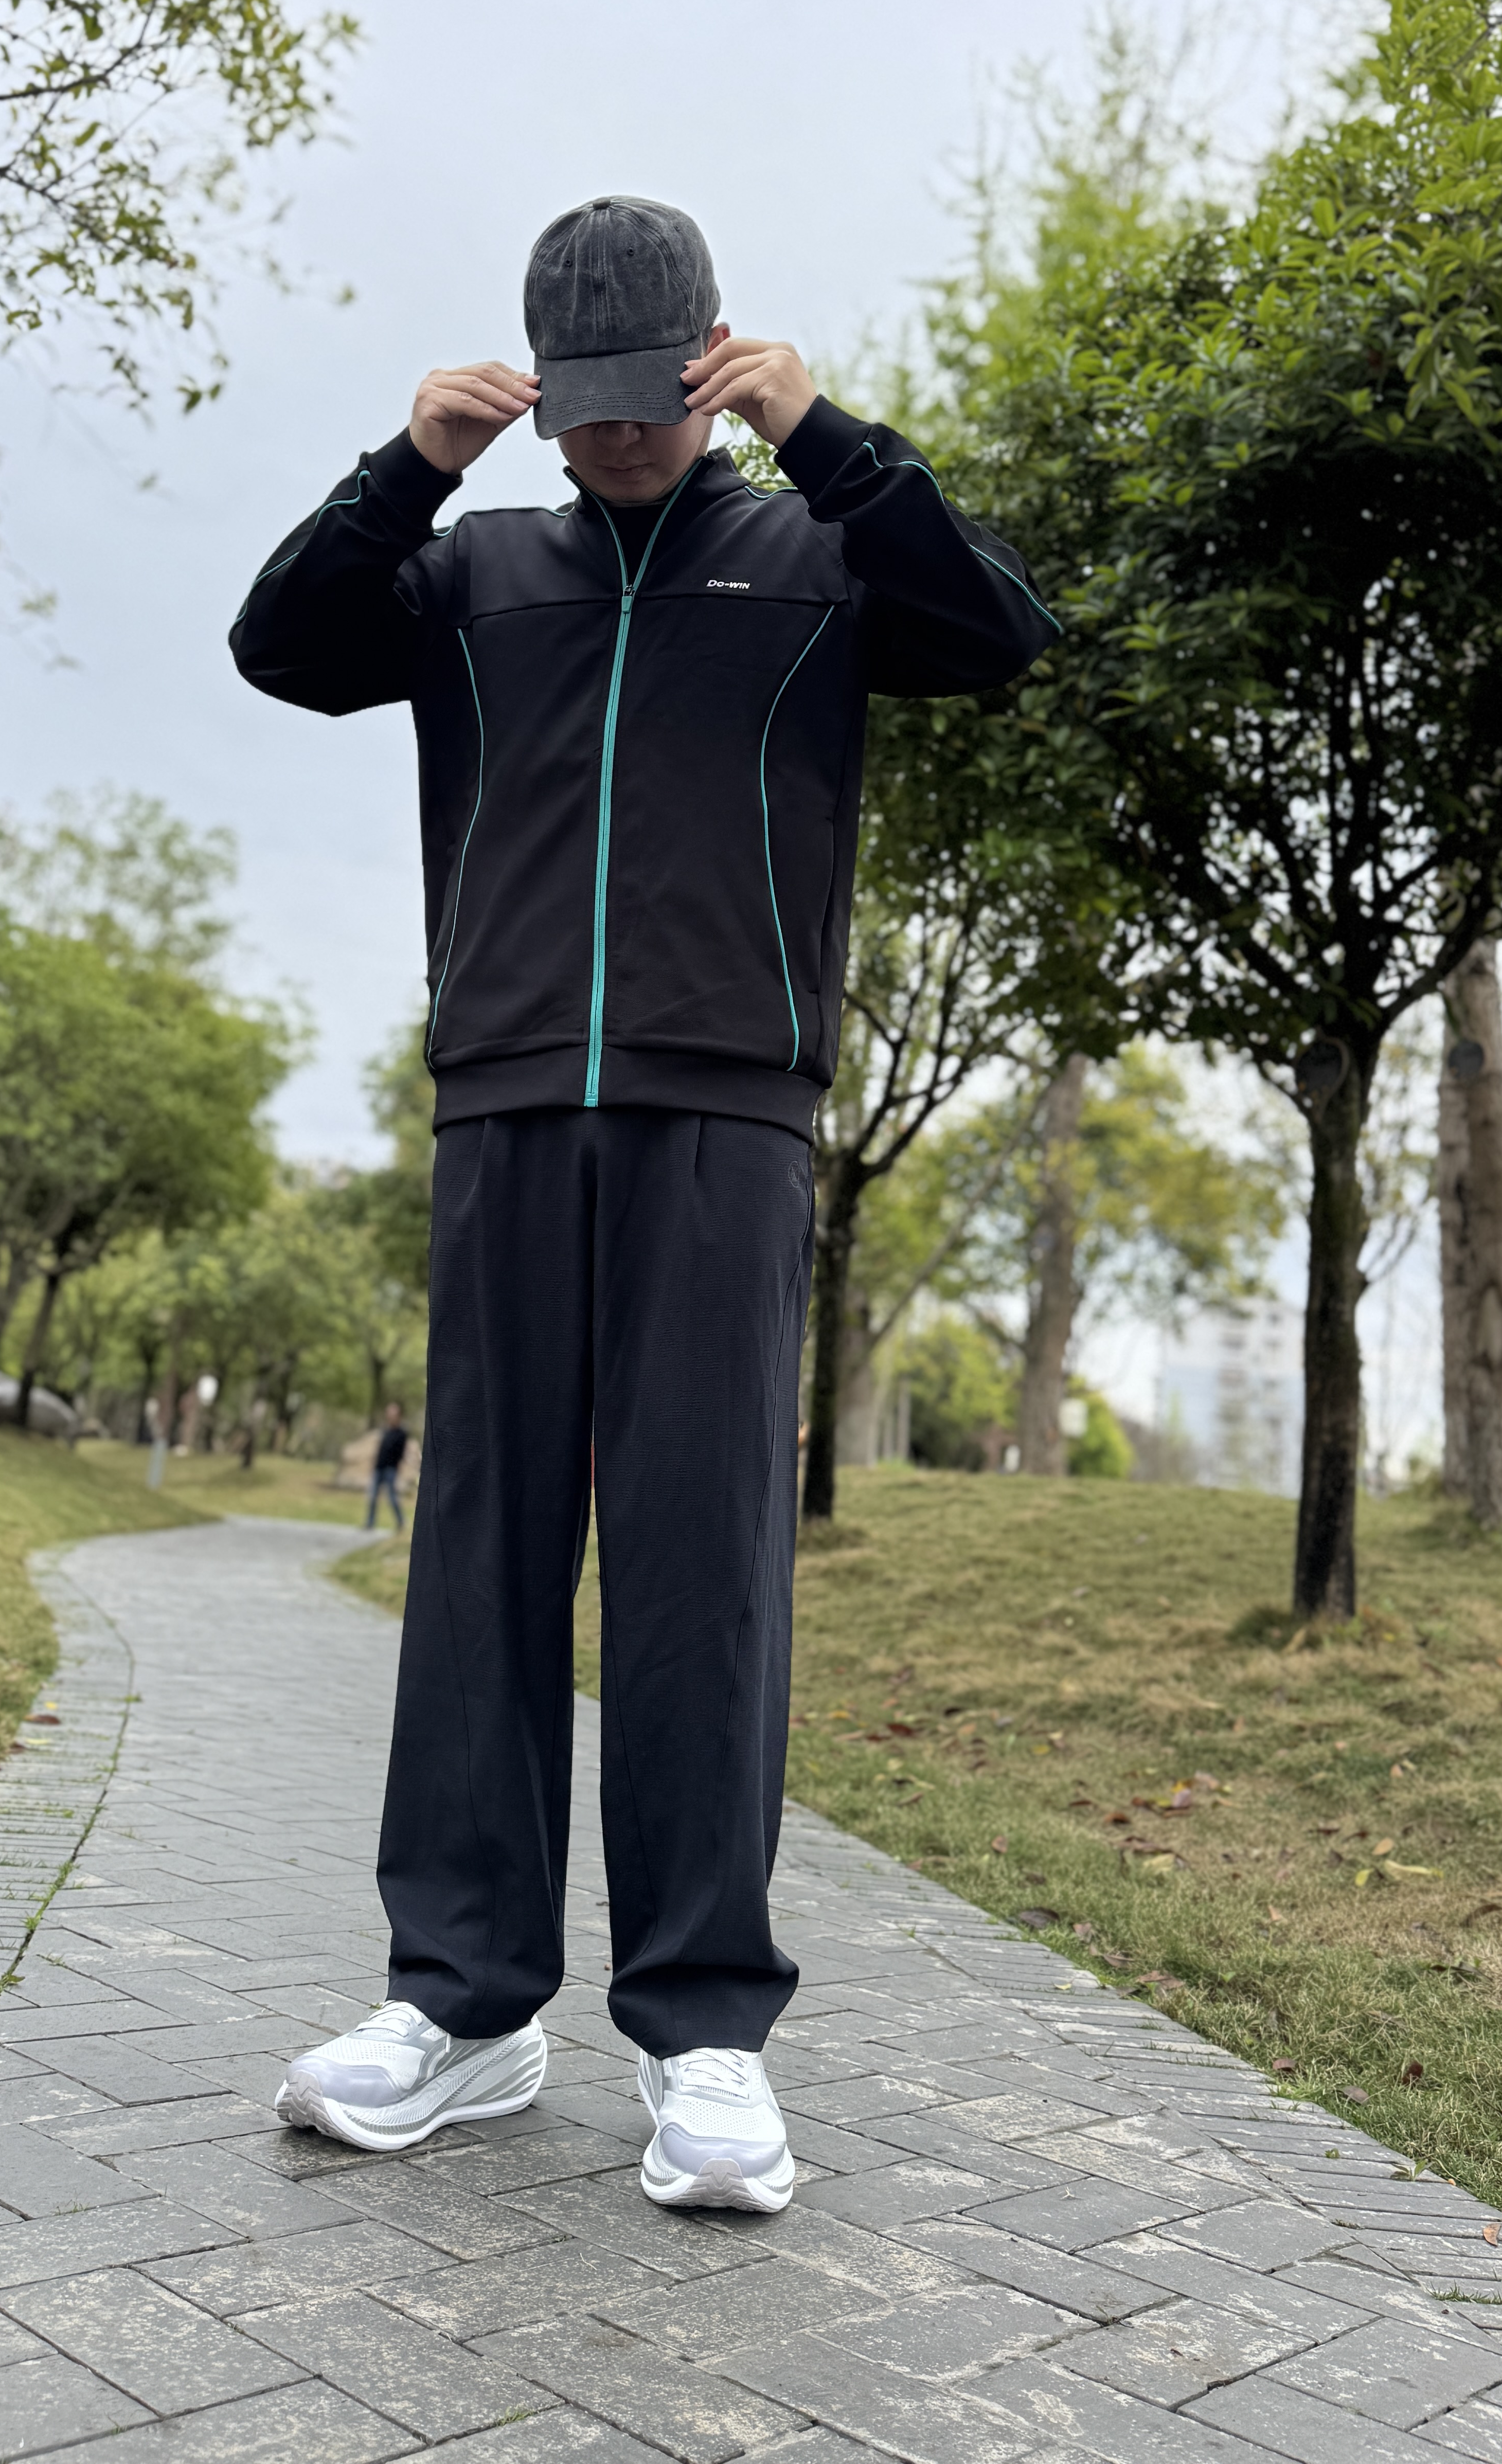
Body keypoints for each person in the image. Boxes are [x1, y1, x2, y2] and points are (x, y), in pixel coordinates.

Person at [230, 194, 1054, 2212]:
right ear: (536, 388)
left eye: (645, 398)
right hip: (507, 1102)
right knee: (480, 1560)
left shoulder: (817, 559)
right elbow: (281, 647)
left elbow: (998, 636)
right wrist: (404, 468)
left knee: (702, 1575)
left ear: (709, 362)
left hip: (723, 1117)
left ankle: (703, 2035)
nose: (609, 436)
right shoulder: (469, 574)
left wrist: (828, 438)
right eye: (576, 403)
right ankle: (465, 2008)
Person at [366, 1401, 411, 1533]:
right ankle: (370, 1523)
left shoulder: (402, 1433)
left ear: (398, 1416)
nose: (390, 1416)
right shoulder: (385, 1430)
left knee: (392, 1497)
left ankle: (401, 1522)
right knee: (373, 1496)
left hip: (391, 1469)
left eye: (393, 1414)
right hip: (379, 1467)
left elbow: (401, 1453)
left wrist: (399, 1467)